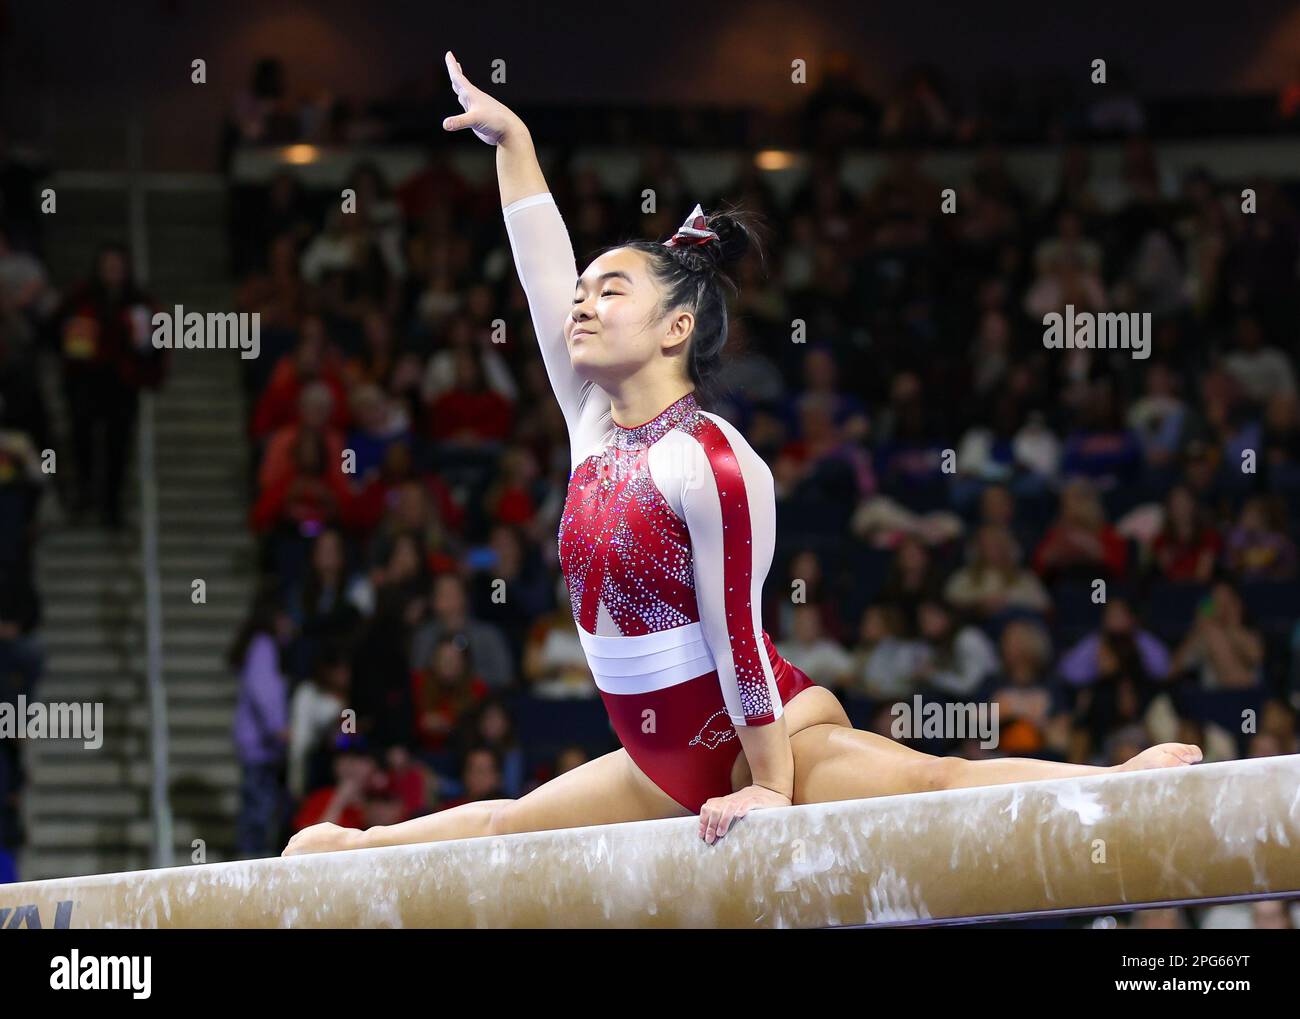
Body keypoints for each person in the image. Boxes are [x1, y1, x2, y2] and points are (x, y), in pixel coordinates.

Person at [282, 51, 1201, 858]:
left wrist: (768, 781)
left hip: (770, 735)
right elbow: (537, 275)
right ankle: (365, 845)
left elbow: (735, 634)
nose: (583, 303)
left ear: (677, 326)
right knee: (504, 830)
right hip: (663, 761)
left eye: (612, 288)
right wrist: (514, 143)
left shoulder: (710, 458)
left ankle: (1120, 783)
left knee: (931, 791)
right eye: (585, 290)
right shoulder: (592, 425)